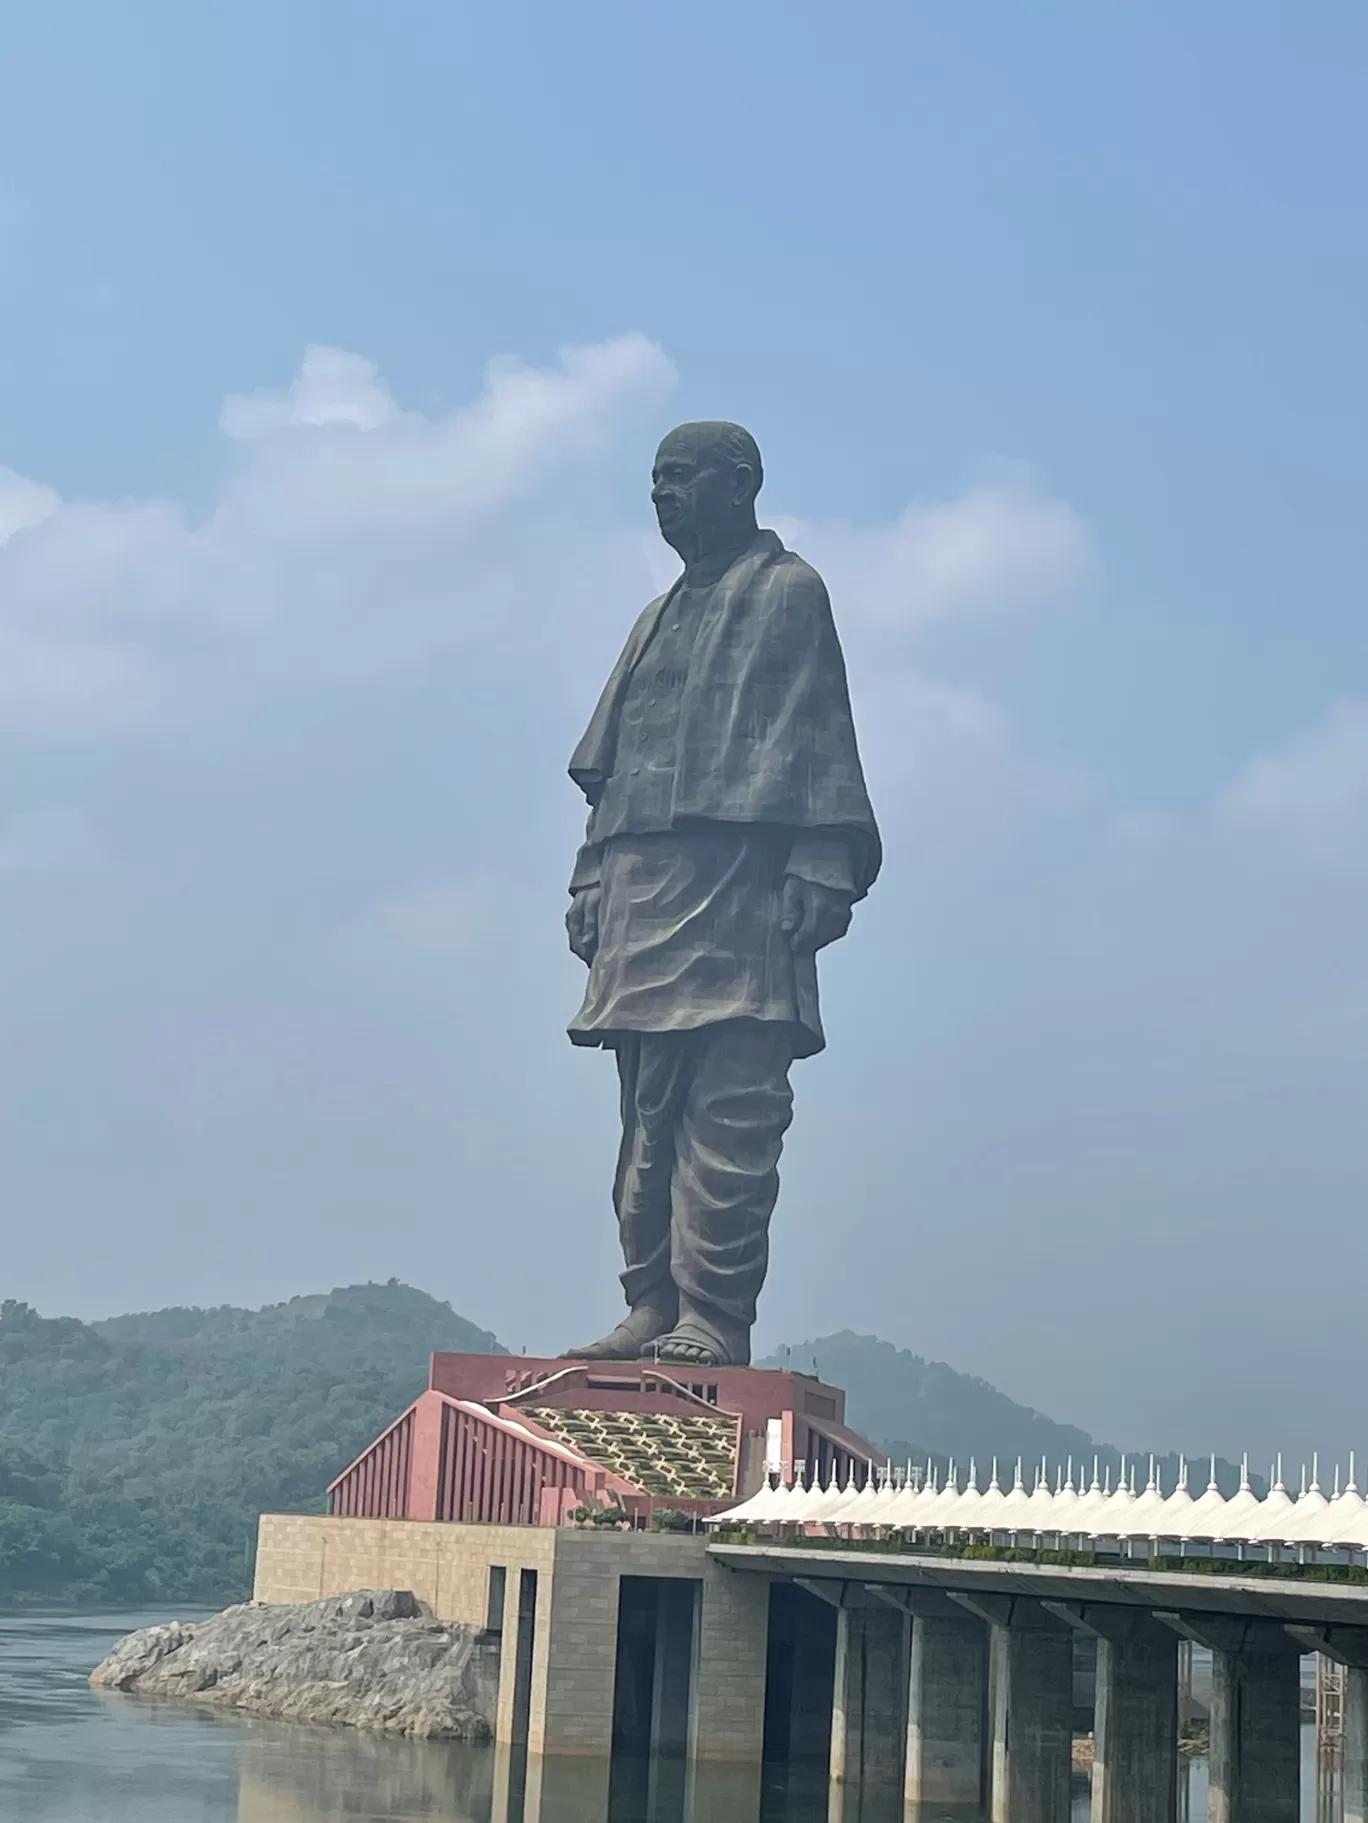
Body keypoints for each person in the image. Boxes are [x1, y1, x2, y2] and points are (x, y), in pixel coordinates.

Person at [563, 421, 880, 1369]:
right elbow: (610, 768)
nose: (661, 495)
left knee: (734, 1107)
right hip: (641, 884)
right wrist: (589, 876)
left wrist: (821, 859)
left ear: (741, 485)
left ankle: (713, 1311)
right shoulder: (654, 615)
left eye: (681, 478)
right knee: (645, 1114)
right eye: (654, 480)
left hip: (740, 884)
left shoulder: (789, 592)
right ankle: (649, 1299)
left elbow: (818, 732)